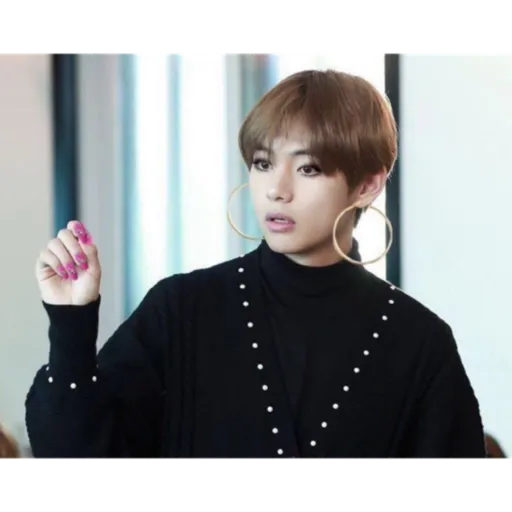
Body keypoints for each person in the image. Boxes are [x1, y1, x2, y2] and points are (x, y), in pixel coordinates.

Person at [25, 69, 486, 463]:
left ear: (367, 185)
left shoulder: (419, 342)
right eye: (263, 163)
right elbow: (73, 450)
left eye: (308, 168)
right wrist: (71, 324)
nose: (276, 190)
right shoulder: (183, 309)